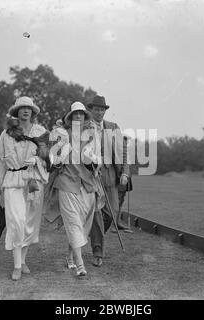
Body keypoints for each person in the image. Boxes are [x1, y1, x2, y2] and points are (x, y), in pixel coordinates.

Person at [0, 96, 50, 281]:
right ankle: (17, 266)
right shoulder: (8, 133)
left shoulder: (41, 132)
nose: (26, 111)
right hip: (13, 179)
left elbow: (49, 156)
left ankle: (23, 260)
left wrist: (37, 159)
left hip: (33, 179)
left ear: (33, 112)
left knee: (30, 223)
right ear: (16, 112)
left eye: (29, 108)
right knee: (17, 221)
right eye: (22, 108)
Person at [49, 101, 103, 277]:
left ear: (85, 116)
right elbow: (54, 159)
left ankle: (70, 256)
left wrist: (94, 161)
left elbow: (99, 159)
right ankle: (80, 266)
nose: (78, 116)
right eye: (75, 114)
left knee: (82, 226)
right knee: (73, 223)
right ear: (70, 117)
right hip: (67, 182)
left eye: (81, 113)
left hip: (87, 184)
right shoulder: (62, 134)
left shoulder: (92, 135)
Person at [87, 95, 131, 267]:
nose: (99, 112)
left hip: (111, 174)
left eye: (102, 109)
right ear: (91, 110)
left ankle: (94, 235)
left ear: (105, 111)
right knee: (97, 213)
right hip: (91, 176)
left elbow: (123, 153)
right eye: (96, 109)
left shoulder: (113, 127)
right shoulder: (84, 127)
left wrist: (125, 173)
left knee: (111, 212)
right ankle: (98, 252)